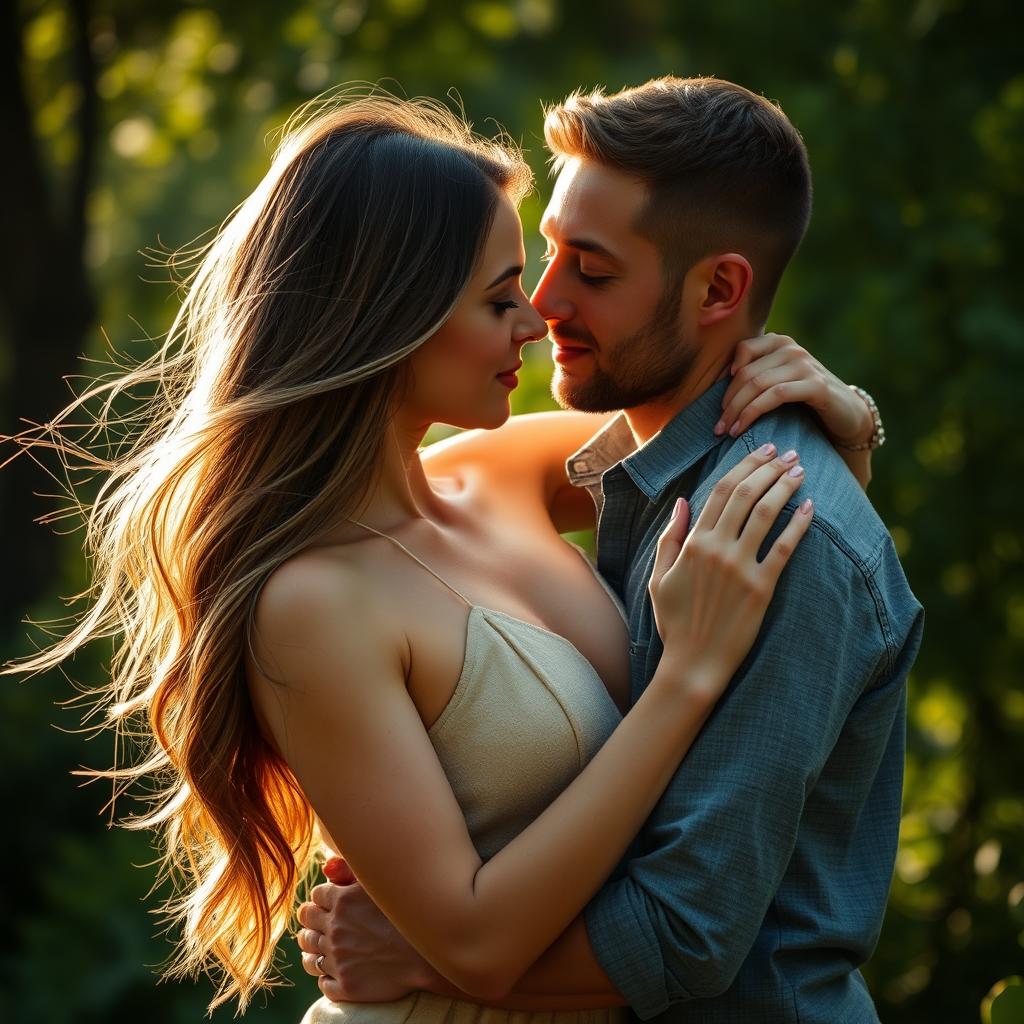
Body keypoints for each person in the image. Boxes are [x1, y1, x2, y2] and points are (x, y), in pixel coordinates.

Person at [6, 88, 872, 1020]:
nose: (536, 319)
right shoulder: (313, 603)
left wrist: (842, 424)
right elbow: (477, 942)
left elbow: (731, 472)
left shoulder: (500, 471)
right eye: (501, 296)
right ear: (387, 316)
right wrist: (686, 678)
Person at [296, 79, 924, 1022]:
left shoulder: (775, 531)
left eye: (589, 270)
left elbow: (680, 934)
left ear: (719, 288)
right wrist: (858, 424)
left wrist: (425, 958)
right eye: (534, 263)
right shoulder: (605, 465)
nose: (544, 305)